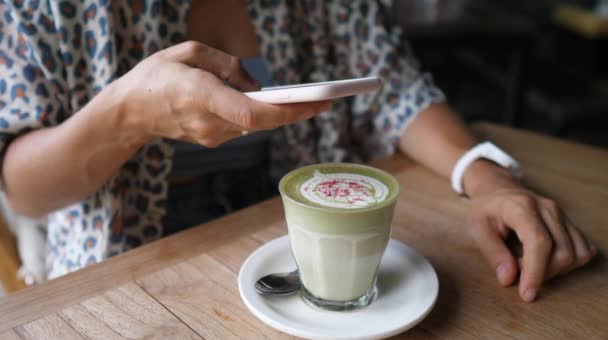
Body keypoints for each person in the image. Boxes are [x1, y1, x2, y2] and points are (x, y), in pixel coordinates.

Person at [0, 1, 595, 302]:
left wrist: (486, 175)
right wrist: (127, 115)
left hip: (294, 244)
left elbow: (394, 87)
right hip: (129, 272)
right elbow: (22, 186)